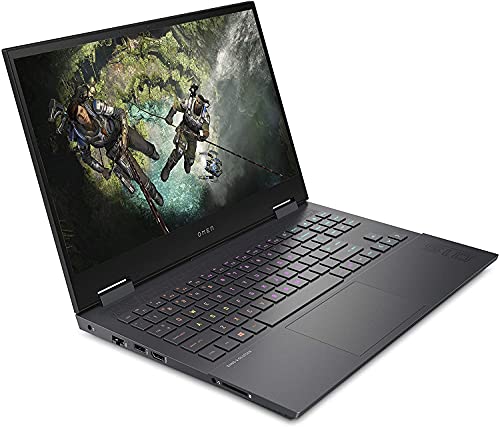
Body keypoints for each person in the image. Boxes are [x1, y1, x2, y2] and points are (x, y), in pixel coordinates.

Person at [66, 98, 164, 206]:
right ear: (76, 120)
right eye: (78, 116)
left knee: (145, 147)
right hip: (114, 150)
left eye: (81, 110)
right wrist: (102, 170)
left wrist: (124, 135)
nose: (82, 115)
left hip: (122, 132)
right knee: (138, 176)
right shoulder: (81, 137)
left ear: (84, 108)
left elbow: (120, 112)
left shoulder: (96, 107)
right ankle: (154, 194)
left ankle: (153, 154)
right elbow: (86, 158)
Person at [161, 84, 210, 181]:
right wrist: (170, 116)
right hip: (183, 130)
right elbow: (176, 106)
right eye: (197, 101)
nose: (197, 103)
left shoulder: (205, 116)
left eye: (199, 103)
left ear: (203, 106)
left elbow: (206, 131)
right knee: (179, 151)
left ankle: (187, 162)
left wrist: (203, 137)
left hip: (193, 136)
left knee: (191, 158)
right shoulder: (188, 103)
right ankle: (168, 168)